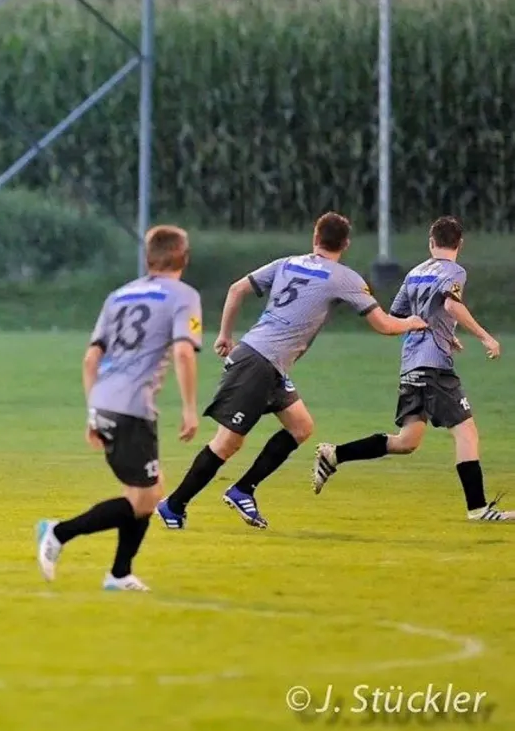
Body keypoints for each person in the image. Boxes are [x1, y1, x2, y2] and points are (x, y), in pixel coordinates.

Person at [156, 212, 427, 530]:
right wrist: (412, 322)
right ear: (346, 244)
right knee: (227, 443)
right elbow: (384, 325)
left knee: (300, 426)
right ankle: (174, 506)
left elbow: (236, 290)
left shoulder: (286, 263)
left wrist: (224, 335)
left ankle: (243, 489)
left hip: (266, 361)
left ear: (315, 238)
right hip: (258, 362)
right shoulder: (344, 277)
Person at [313, 216, 512, 521]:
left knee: (407, 441)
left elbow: (398, 314)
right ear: (460, 243)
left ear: (431, 242)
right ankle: (478, 509)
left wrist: (446, 334)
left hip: (411, 365)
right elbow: (450, 305)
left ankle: (334, 454)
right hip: (435, 368)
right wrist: (486, 337)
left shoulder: (416, 272)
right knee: (467, 433)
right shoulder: (454, 270)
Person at [36, 225, 202, 591]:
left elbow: (90, 359)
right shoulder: (183, 295)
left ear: (149, 258)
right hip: (133, 408)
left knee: (147, 491)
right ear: (182, 257)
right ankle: (59, 533)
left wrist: (92, 410)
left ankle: (119, 574)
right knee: (148, 498)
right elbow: (183, 351)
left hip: (105, 401)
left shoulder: (119, 296)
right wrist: (190, 408)